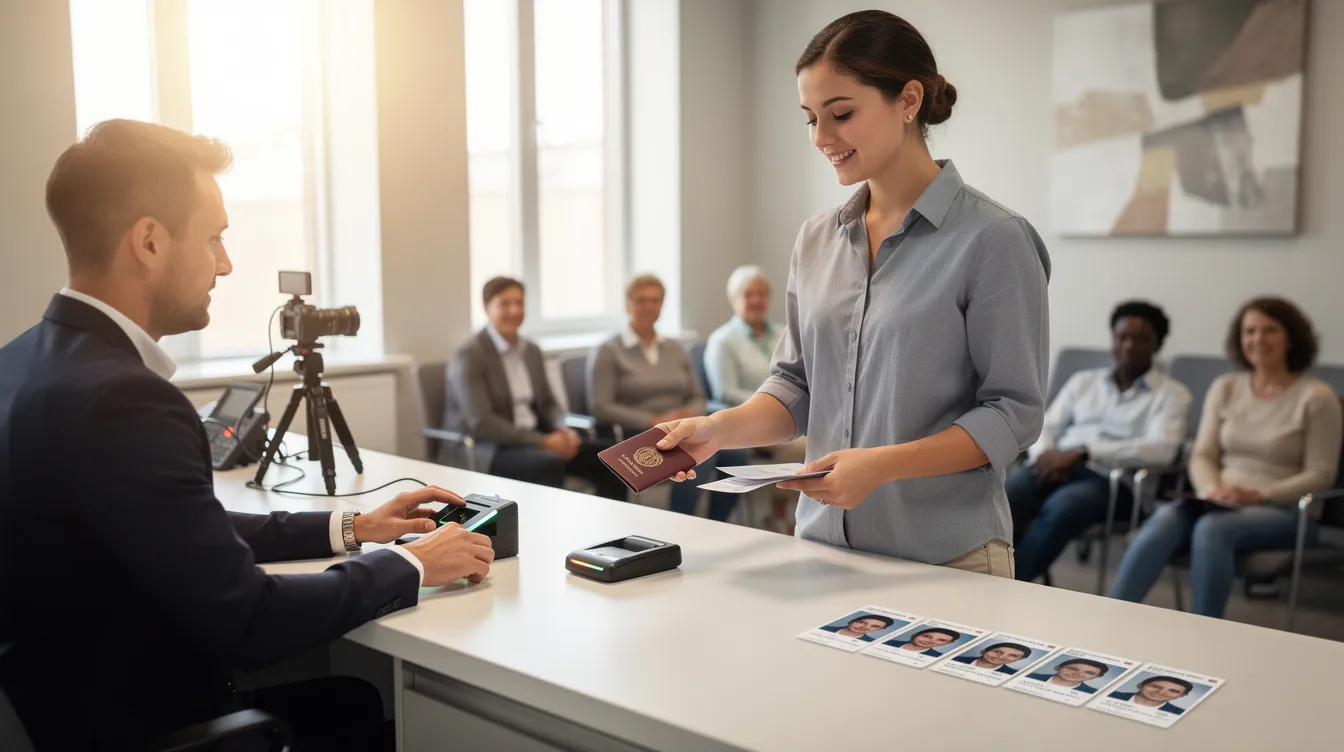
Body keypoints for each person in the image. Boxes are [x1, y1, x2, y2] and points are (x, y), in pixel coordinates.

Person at [0, 120, 496, 751]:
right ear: (149, 242)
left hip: (61, 708)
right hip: (147, 724)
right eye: (215, 238)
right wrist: (409, 563)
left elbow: (168, 529)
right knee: (372, 712)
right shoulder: (122, 398)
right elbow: (251, 621)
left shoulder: (20, 364)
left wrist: (352, 528)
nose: (226, 264)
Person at [655, 10, 1050, 575]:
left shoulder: (994, 240)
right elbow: (795, 386)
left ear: (908, 100)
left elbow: (1013, 414)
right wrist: (716, 430)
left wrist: (881, 466)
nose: (821, 138)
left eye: (841, 114)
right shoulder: (816, 239)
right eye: (810, 119)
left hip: (948, 558)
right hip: (820, 548)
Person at [1109, 297, 1342, 618]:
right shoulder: (1226, 387)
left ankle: (1205, 636)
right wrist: (1211, 491)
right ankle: (1109, 620)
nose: (1258, 339)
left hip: (1286, 510)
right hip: (1218, 500)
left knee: (1212, 529)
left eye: (1269, 330)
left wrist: (1258, 494)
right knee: (1165, 518)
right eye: (1250, 331)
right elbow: (1202, 454)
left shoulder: (1317, 397)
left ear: (1291, 336)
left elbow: (1321, 474)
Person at [1010, 301, 1192, 583]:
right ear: (1113, 339)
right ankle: (988, 576)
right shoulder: (1084, 381)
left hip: (1116, 484)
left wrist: (1084, 453)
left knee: (1064, 505)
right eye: (1123, 337)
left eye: (1141, 339)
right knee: (1010, 493)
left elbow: (1162, 450)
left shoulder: (1173, 395)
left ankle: (1013, 584)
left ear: (1158, 345)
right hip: (1056, 467)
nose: (1129, 346)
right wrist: (1047, 458)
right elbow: (1046, 424)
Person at [445, 276, 627, 500]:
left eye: (519, 303)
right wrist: (543, 442)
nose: (514, 310)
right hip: (490, 447)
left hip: (538, 440)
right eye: (505, 304)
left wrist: (563, 430)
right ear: (486, 308)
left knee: (610, 458)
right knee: (549, 463)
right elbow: (482, 423)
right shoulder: (470, 355)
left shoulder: (531, 351)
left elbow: (549, 404)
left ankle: (613, 529)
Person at [588, 274, 750, 521]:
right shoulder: (609, 351)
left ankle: (719, 523)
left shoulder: (674, 349)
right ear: (627, 304)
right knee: (699, 459)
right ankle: (681, 523)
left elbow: (697, 395)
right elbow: (601, 407)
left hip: (683, 428)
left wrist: (688, 414)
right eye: (641, 300)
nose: (649, 306)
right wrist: (652, 419)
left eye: (655, 300)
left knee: (737, 455)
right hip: (639, 434)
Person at [704, 265, 806, 533]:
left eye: (763, 294)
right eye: (749, 294)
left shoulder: (783, 333)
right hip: (752, 423)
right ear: (734, 298)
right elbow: (725, 392)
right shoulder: (722, 341)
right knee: (807, 447)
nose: (757, 300)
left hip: (795, 416)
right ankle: (781, 513)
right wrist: (771, 404)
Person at [1109, 676, 1193, 715]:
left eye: (1173, 691)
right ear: (1140, 685)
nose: (1160, 692)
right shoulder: (1110, 695)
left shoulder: (1180, 713)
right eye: (1155, 686)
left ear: (1182, 695)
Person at [1026, 658, 1109, 693]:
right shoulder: (1029, 676)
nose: (1077, 674)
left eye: (1089, 673)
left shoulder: (1092, 693)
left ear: (1097, 676)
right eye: (1072, 669)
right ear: (1059, 667)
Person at [950, 642, 1030, 674]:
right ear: (983, 651)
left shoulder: (1012, 675)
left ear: (1020, 659)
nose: (1001, 657)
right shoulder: (954, 659)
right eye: (997, 652)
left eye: (1013, 656)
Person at [885, 627, 960, 656]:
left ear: (948, 643)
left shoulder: (937, 657)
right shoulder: (887, 642)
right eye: (927, 636)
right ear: (915, 635)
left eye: (941, 640)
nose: (931, 641)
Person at [818, 614, 895, 641]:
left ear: (880, 629)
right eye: (861, 622)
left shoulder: (870, 642)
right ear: (851, 621)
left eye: (874, 626)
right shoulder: (824, 628)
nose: (865, 627)